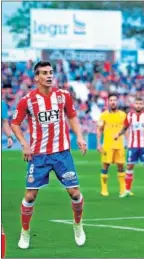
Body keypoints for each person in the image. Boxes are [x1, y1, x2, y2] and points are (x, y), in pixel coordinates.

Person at [11, 61, 87, 249]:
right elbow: (15, 123)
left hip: (62, 153)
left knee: (75, 193)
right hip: (39, 156)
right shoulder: (27, 100)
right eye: (44, 73)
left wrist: (79, 136)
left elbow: (72, 117)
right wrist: (24, 144)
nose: (49, 76)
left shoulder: (63, 96)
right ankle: (25, 232)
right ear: (36, 77)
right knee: (30, 197)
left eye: (51, 72)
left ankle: (78, 225)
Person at [114, 97, 144, 198]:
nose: (138, 105)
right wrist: (118, 134)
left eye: (140, 104)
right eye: (137, 104)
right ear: (134, 105)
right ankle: (127, 190)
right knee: (129, 166)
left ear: (143, 105)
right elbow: (125, 128)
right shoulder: (129, 116)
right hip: (132, 146)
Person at [97, 93, 128, 197]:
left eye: (115, 100)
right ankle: (104, 189)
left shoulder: (123, 115)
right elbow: (99, 129)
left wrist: (128, 142)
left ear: (117, 102)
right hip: (108, 145)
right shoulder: (104, 115)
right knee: (105, 165)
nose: (113, 102)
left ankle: (123, 189)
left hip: (119, 144)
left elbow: (126, 129)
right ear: (108, 102)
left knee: (121, 166)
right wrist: (98, 143)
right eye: (111, 100)